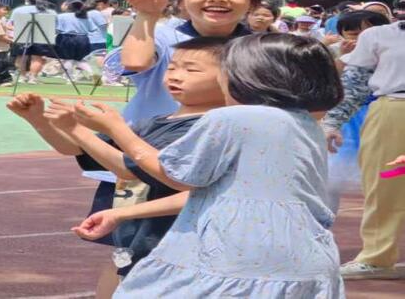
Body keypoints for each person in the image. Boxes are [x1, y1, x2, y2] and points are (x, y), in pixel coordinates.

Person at [74, 33, 344, 298]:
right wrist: (120, 214)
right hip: (305, 254)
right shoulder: (307, 124)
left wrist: (117, 128)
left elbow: (175, 175)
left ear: (246, 78)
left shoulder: (233, 118)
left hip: (234, 255)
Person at [9, 37, 228, 298]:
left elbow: (131, 169)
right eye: (172, 67)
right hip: (142, 234)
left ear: (229, 78)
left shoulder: (210, 126)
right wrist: (39, 119)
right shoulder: (154, 123)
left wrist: (82, 128)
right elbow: (79, 149)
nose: (176, 76)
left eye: (191, 70)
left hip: (177, 240)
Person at [114, 0, 257, 123]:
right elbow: (135, 62)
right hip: (152, 134)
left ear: (252, 3)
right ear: (181, 2)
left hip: (229, 134)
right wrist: (147, 15)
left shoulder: (261, 48)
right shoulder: (161, 36)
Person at [322, 12, 405, 280]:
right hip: (395, 110)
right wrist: (332, 121)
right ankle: (377, 257)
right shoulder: (379, 35)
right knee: (385, 185)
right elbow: (354, 84)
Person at [10, 0, 55, 84]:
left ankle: (22, 76)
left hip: (21, 35)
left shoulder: (18, 10)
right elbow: (54, 26)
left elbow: (11, 24)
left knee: (21, 57)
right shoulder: (50, 12)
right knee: (38, 58)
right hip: (42, 37)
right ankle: (33, 77)